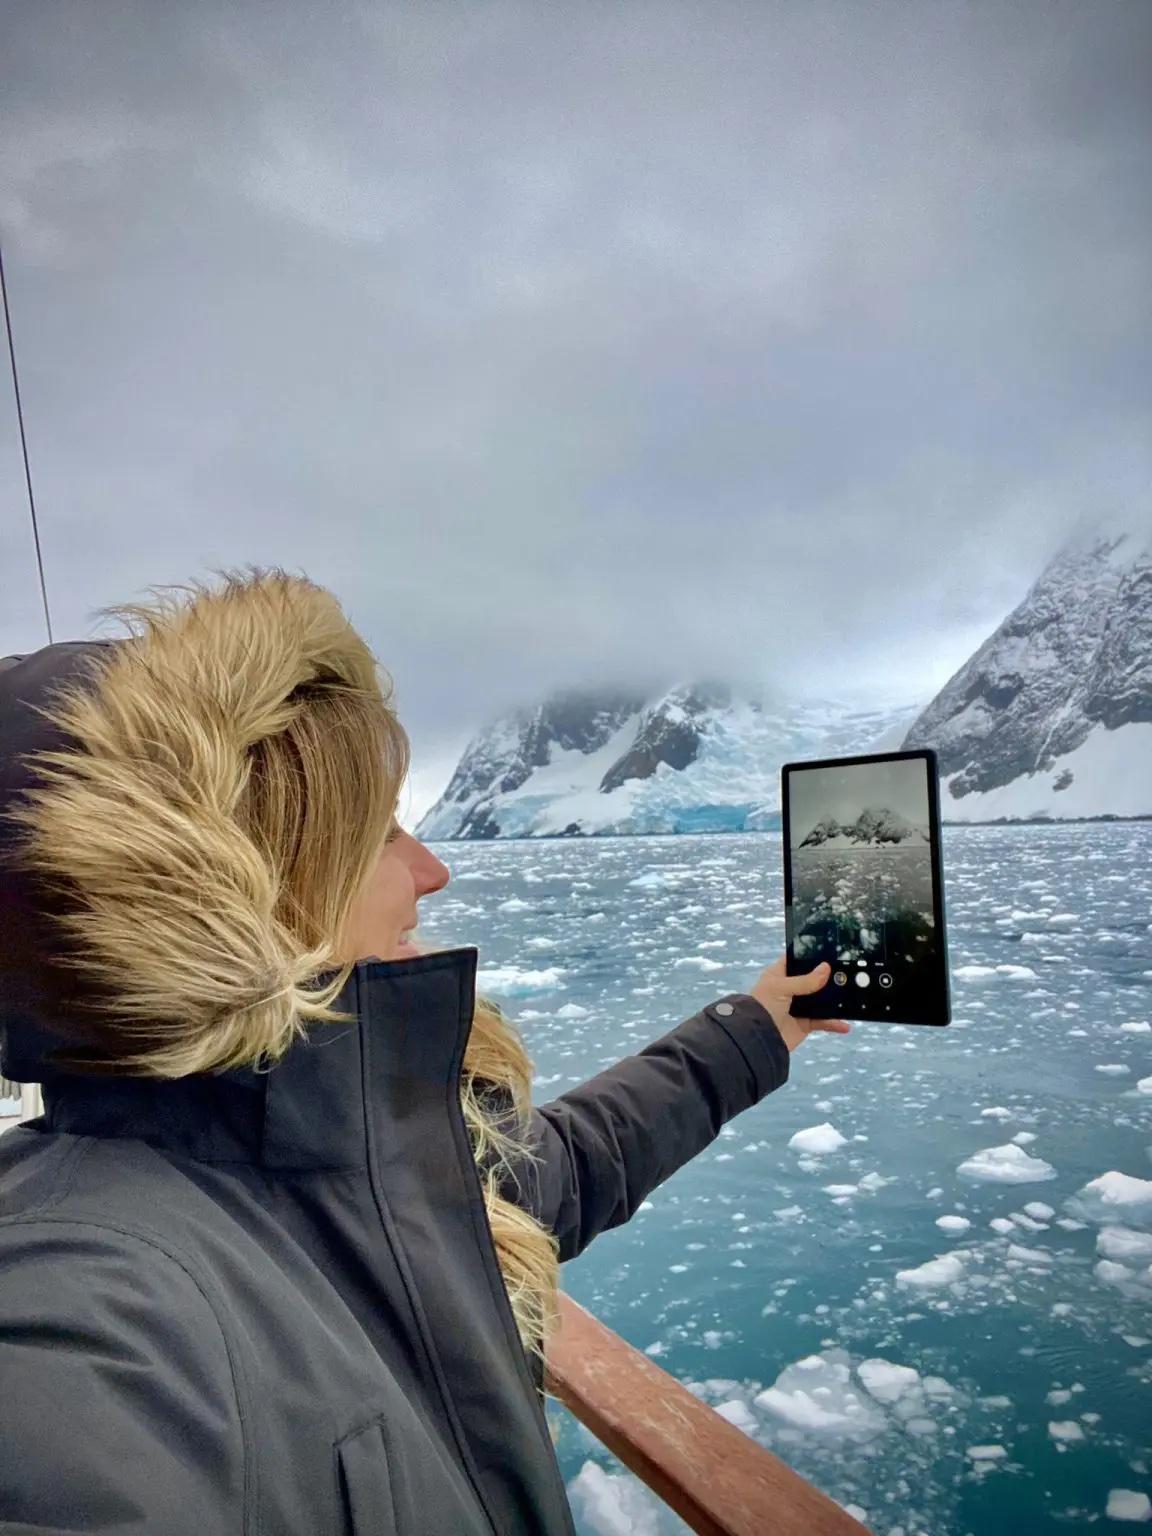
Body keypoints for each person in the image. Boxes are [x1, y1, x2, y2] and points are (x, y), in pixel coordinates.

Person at [0, 569, 847, 1535]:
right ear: (233, 887)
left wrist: (763, 1022)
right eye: (379, 832)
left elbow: (567, 1163)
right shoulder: (85, 1303)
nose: (432, 871)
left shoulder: (360, 1162)